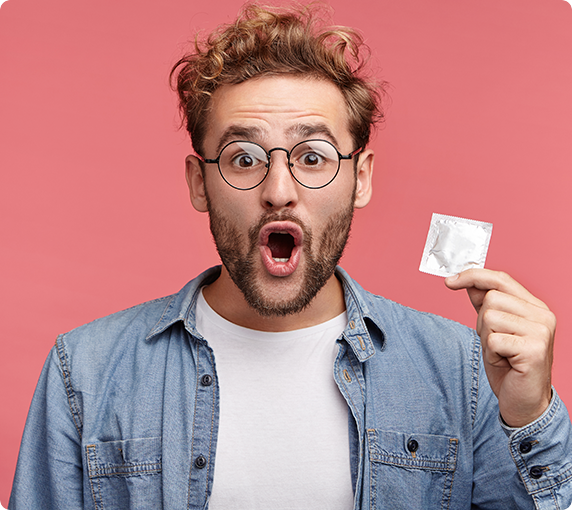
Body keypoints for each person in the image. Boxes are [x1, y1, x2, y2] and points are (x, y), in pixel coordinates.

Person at [9, 3, 571, 509]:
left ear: (361, 178)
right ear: (199, 183)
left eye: (313, 155)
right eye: (245, 158)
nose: (279, 189)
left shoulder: (464, 372)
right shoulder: (83, 372)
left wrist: (529, 415)